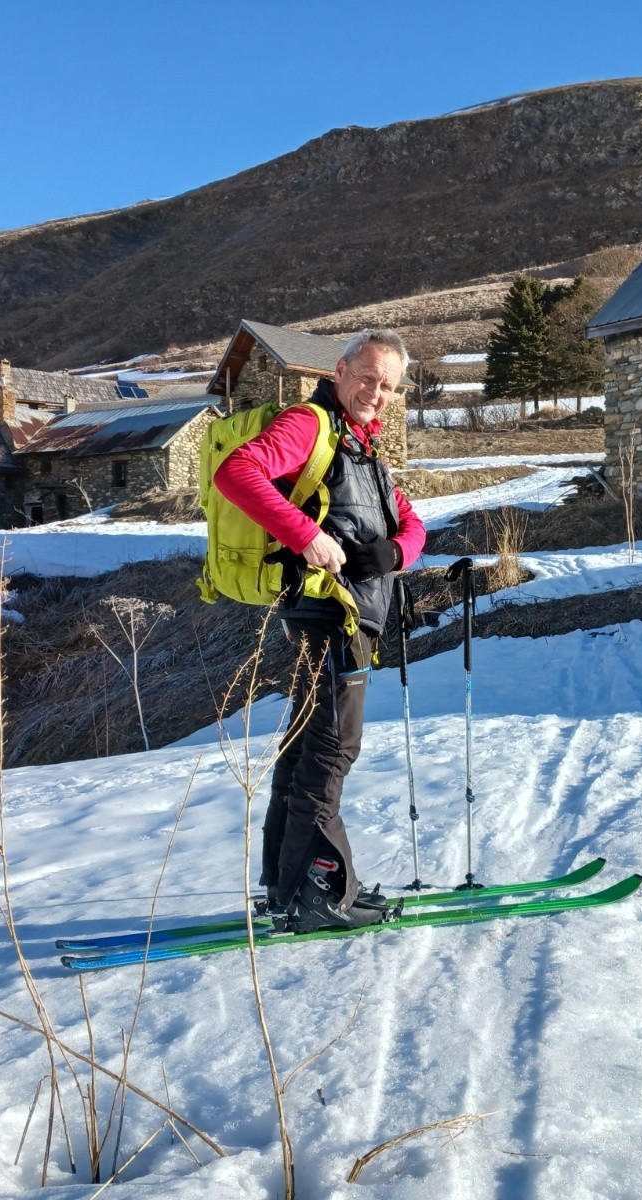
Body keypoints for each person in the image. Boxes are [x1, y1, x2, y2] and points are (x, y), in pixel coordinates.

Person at [213, 329, 427, 932]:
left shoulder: (362, 443)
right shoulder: (310, 425)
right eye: (368, 378)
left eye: (388, 386)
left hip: (343, 614)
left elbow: (413, 523)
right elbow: (237, 472)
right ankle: (320, 889)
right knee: (333, 748)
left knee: (308, 745)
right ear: (340, 370)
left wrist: (394, 553)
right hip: (331, 614)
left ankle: (285, 883)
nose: (377, 393)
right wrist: (307, 536)